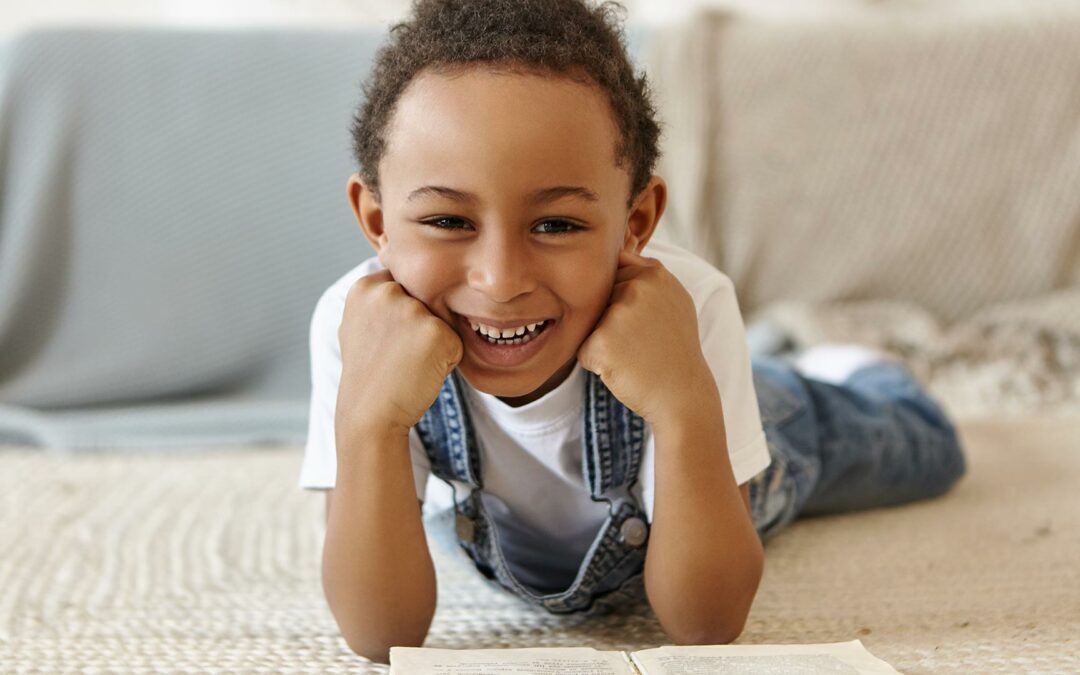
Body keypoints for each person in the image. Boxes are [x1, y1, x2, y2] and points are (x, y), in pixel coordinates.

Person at [298, 0, 967, 663]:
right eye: (448, 221)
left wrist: (684, 405)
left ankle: (841, 363)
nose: (500, 281)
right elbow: (379, 635)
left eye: (556, 224)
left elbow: (705, 625)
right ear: (378, 221)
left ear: (636, 220)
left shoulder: (692, 305)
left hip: (721, 436)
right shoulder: (354, 325)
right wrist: (369, 422)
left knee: (924, 447)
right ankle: (768, 351)